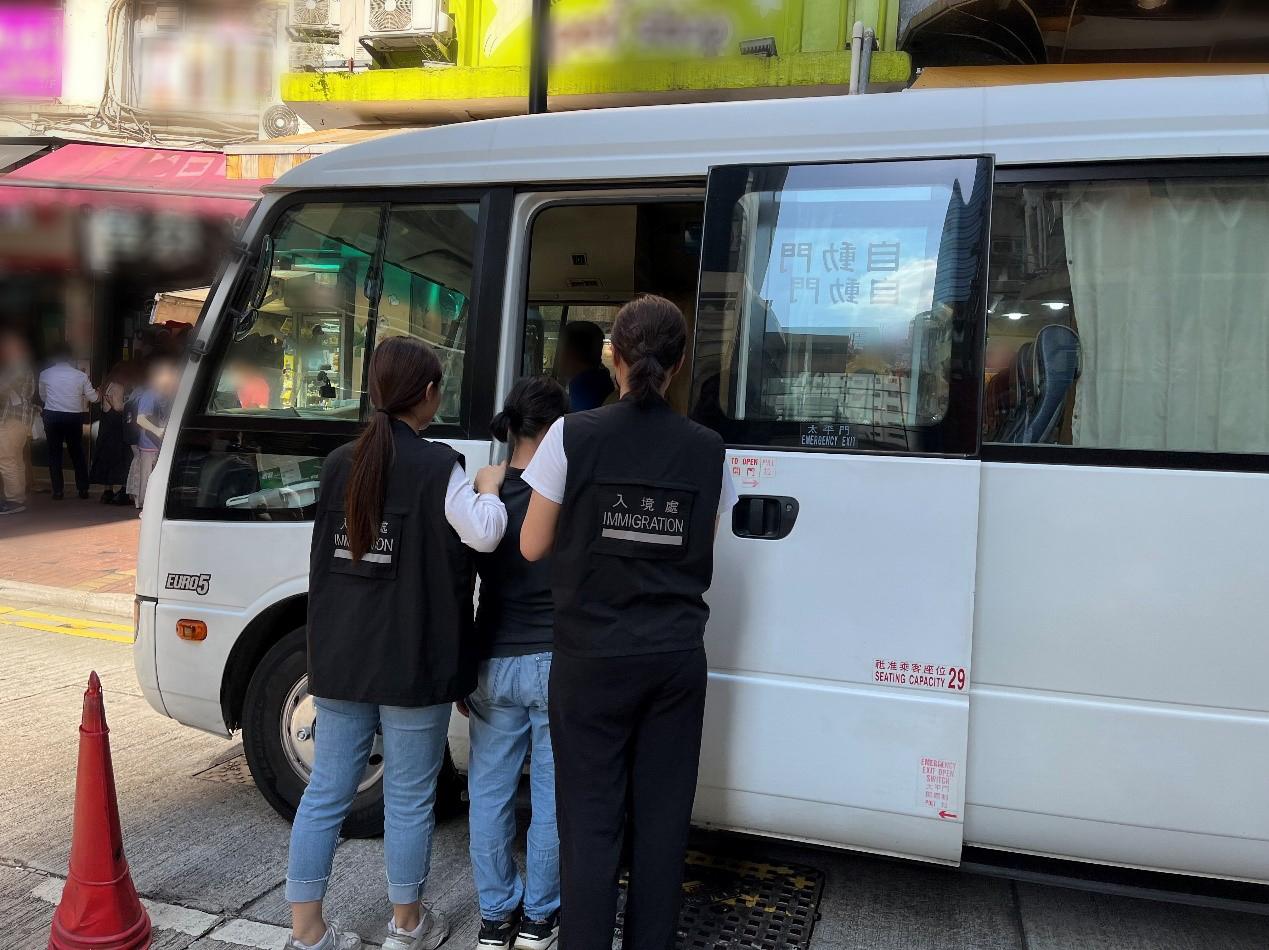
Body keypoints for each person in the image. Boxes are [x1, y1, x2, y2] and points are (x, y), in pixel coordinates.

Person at [519, 296, 738, 950]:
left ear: (614, 356)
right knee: (662, 827)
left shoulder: (571, 434)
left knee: (589, 828)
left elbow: (531, 545)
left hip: (589, 659)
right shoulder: (706, 448)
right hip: (673, 659)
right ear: (675, 366)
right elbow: (705, 541)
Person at [285, 335, 509, 950]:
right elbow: (486, 536)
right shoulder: (442, 468)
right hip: (414, 659)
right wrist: (490, 485)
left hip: (342, 656)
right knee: (408, 799)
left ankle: (307, 935)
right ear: (429, 395)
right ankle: (406, 927)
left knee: (328, 789)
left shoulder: (338, 464)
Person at [465, 377, 569, 950]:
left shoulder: (486, 491)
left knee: (490, 791)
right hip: (557, 660)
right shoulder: (569, 492)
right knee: (553, 796)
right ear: (557, 430)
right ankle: (539, 918)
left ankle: (495, 916)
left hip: (495, 659)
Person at [38, 346, 98, 500]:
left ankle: (57, 491)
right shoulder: (80, 376)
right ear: (71, 359)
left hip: (52, 415)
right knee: (77, 452)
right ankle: (83, 489)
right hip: (73, 416)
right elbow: (93, 398)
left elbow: (43, 396)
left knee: (54, 453)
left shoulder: (45, 374)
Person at [133, 357, 179, 512]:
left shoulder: (168, 394)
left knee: (155, 475)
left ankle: (151, 505)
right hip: (149, 442)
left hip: (160, 442)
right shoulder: (150, 395)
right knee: (147, 475)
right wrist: (158, 431)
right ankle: (144, 505)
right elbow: (140, 419)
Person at [0, 331, 35, 515]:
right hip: (20, 421)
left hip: (10, 420)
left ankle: (13, 500)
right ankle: (18, 497)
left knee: (7, 460)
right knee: (16, 460)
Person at [90, 362, 135, 504]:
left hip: (106, 426)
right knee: (122, 457)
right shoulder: (119, 386)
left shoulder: (106, 385)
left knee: (106, 457)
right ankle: (122, 490)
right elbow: (118, 406)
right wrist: (130, 405)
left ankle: (107, 490)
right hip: (117, 427)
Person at [557, 321, 614, 412]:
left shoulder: (582, 394)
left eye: (559, 350)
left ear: (570, 353)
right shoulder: (602, 379)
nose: (558, 357)